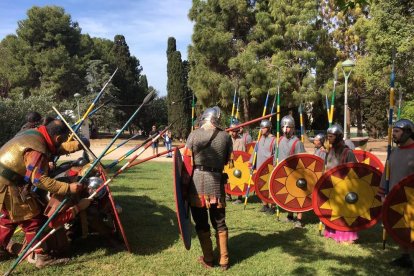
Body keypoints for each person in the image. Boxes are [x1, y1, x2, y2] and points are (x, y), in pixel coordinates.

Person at [0, 119, 85, 267]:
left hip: (5, 181)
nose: (61, 143)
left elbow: (54, 148)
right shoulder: (36, 149)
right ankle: (41, 258)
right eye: (62, 140)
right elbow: (39, 180)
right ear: (57, 137)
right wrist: (67, 188)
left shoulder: (35, 135)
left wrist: (77, 145)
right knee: (32, 220)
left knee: (9, 218)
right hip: (8, 185)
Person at [184, 106, 232, 270]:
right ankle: (224, 260)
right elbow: (226, 161)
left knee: (201, 223)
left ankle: (209, 258)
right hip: (216, 182)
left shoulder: (194, 134)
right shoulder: (226, 137)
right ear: (217, 119)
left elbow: (186, 162)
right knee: (219, 222)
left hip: (197, 184)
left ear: (203, 118)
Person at [378, 119, 414, 269]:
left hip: (411, 198)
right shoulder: (394, 152)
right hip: (395, 196)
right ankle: (405, 257)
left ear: (407, 133)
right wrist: (382, 192)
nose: (394, 134)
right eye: (393, 131)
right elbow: (387, 172)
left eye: (397, 132)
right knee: (401, 229)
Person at [324, 124, 358, 243]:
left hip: (345, 188)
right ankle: (332, 232)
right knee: (333, 210)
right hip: (332, 187)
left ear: (338, 136)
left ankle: (346, 236)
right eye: (328, 136)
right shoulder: (330, 151)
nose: (329, 139)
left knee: (345, 212)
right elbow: (327, 168)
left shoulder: (348, 152)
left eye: (331, 136)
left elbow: (355, 172)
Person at [276, 115, 306, 228]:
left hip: (296, 174)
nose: (285, 129)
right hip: (283, 173)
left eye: (288, 127)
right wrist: (275, 167)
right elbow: (276, 156)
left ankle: (299, 219)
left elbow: (302, 160)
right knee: (288, 195)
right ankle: (289, 215)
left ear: (293, 128)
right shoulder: (279, 141)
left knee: (298, 196)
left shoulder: (297, 143)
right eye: (283, 126)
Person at [249, 119, 276, 215]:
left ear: (268, 128)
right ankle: (265, 205)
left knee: (271, 187)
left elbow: (276, 155)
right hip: (260, 166)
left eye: (263, 128)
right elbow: (255, 152)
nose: (261, 130)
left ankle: (272, 206)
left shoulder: (274, 140)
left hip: (269, 168)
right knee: (261, 186)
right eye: (261, 128)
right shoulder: (260, 139)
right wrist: (252, 163)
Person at [229, 122, 245, 204]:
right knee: (227, 178)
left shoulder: (241, 140)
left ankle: (239, 197)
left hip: (238, 163)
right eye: (232, 131)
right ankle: (228, 195)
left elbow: (242, 154)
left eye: (235, 131)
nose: (233, 133)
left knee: (238, 178)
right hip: (229, 161)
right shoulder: (227, 139)